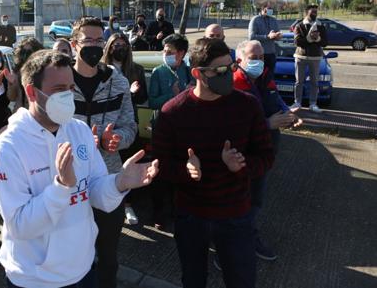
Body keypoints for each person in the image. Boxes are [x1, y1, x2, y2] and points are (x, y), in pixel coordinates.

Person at [0, 49, 159, 288]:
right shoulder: (7, 148)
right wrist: (61, 187)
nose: (68, 96)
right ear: (31, 92)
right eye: (59, 90)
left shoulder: (79, 131)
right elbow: (20, 225)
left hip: (83, 270)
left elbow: (96, 191)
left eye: (70, 89)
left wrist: (120, 182)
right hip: (34, 280)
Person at [153, 38, 274, 288]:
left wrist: (241, 165)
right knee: (194, 279)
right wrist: (186, 171)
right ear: (197, 73)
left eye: (230, 68)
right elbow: (161, 164)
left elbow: (266, 156)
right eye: (219, 71)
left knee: (241, 280)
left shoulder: (248, 106)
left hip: (236, 213)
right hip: (191, 216)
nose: (228, 75)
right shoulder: (172, 112)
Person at [70, 17, 138, 288]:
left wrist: (117, 139)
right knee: (73, 254)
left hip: (108, 177)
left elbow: (130, 126)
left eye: (100, 40)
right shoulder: (59, 81)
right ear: (74, 44)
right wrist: (81, 142)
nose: (95, 46)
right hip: (68, 181)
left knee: (108, 255)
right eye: (88, 41)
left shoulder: (117, 82)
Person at [232, 39, 302, 265]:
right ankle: (233, 246)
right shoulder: (234, 86)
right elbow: (234, 125)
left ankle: (243, 237)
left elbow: (277, 100)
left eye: (262, 57)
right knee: (241, 200)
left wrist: (290, 114)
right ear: (239, 60)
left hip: (265, 152)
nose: (259, 62)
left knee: (256, 200)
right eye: (254, 58)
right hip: (244, 155)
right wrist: (268, 124)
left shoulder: (265, 78)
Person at [101, 32, 148, 226]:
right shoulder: (101, 70)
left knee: (129, 163)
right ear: (109, 47)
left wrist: (134, 94)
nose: (119, 49)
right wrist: (126, 91)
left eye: (123, 45)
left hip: (128, 126)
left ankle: (127, 205)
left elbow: (143, 97)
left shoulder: (136, 69)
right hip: (107, 125)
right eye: (115, 45)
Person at [147, 33, 191, 229]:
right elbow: (153, 102)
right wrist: (171, 95)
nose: (166, 54)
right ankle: (158, 212)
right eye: (164, 51)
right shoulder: (158, 71)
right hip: (162, 129)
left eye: (170, 52)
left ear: (181, 53)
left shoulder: (189, 72)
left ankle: (177, 210)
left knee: (180, 170)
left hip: (184, 129)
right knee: (160, 173)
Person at [291, 5, 328, 113]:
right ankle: (297, 102)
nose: (314, 14)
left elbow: (325, 43)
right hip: (301, 57)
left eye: (316, 12)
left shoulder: (321, 26)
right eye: (312, 12)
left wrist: (318, 38)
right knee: (299, 81)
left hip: (315, 57)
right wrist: (309, 38)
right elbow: (297, 42)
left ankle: (313, 104)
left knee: (314, 82)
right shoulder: (299, 25)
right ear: (307, 12)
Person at [6, 37, 44, 112]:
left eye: (29, 52)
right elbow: (12, 97)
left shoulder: (43, 70)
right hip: (21, 112)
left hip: (38, 113)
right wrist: (12, 84)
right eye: (23, 52)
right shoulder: (17, 71)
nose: (26, 55)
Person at [248, 4, 282, 78]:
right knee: (258, 77)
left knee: (269, 77)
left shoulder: (274, 20)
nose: (270, 10)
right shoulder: (255, 19)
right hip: (259, 55)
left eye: (271, 9)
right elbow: (251, 37)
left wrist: (278, 36)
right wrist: (267, 37)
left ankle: (268, 89)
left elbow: (277, 33)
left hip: (271, 54)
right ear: (263, 10)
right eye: (268, 9)